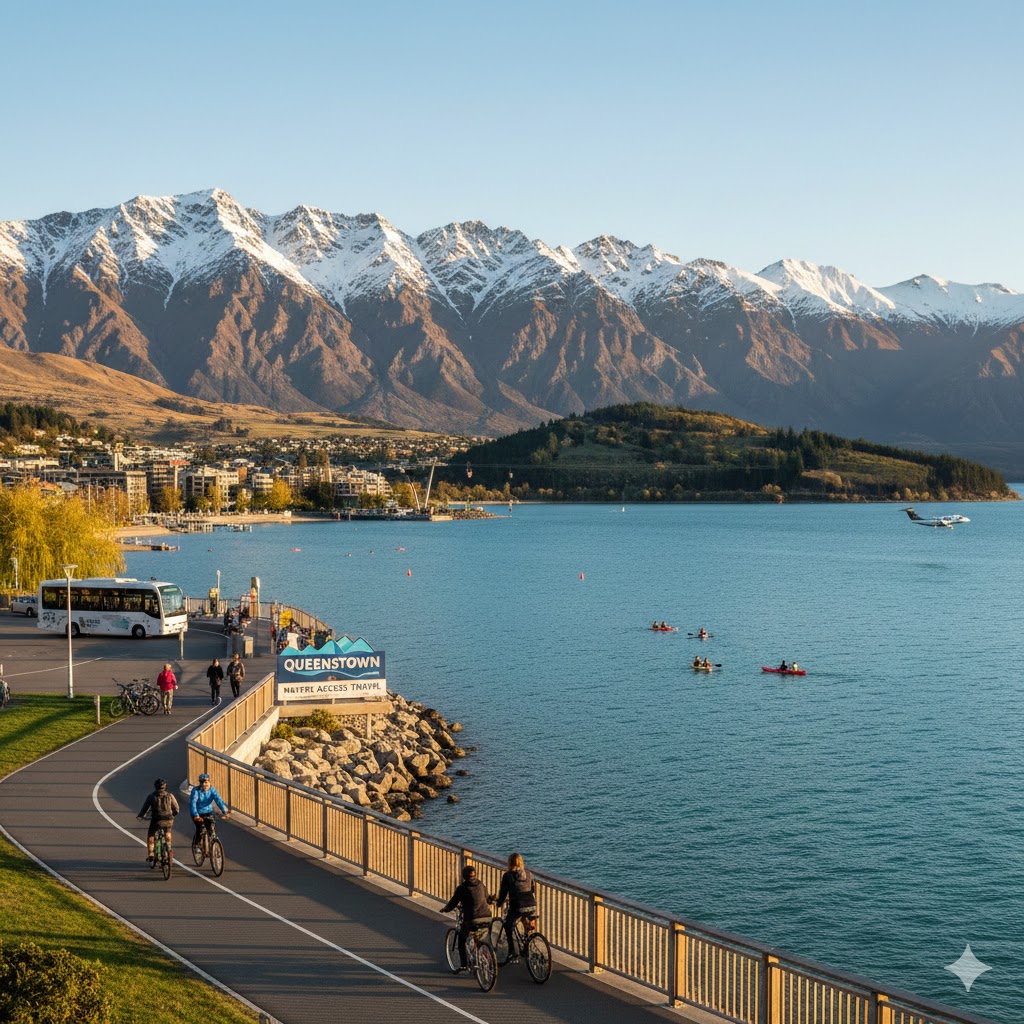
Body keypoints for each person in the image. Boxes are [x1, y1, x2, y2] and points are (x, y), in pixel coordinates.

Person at [441, 864, 493, 971]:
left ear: (464, 876)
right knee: (480, 935)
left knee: (462, 939)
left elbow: (453, 903)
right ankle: (483, 954)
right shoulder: (481, 884)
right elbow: (487, 899)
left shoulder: (461, 888)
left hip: (472, 919)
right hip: (487, 917)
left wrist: (445, 909)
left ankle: (464, 965)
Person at [496, 852, 537, 961]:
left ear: (510, 862)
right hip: (532, 904)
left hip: (518, 906)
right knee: (525, 918)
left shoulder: (508, 875)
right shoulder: (528, 873)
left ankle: (512, 952)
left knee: (508, 926)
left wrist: (499, 903)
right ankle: (528, 943)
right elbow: (532, 889)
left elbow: (503, 893)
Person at [137, 778, 179, 863]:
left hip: (157, 820)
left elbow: (145, 808)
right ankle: (169, 847)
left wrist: (141, 816)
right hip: (169, 820)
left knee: (151, 835)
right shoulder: (170, 795)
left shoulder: (152, 796)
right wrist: (172, 815)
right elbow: (176, 809)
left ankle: (151, 854)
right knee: (168, 832)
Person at [190, 772, 229, 847]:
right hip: (198, 813)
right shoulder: (196, 791)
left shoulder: (212, 790)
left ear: (209, 782)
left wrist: (225, 811)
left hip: (208, 812)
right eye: (202, 782)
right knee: (201, 830)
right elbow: (193, 803)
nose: (204, 784)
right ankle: (197, 845)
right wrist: (196, 815)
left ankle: (213, 845)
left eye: (206, 782)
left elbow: (218, 800)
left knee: (212, 827)